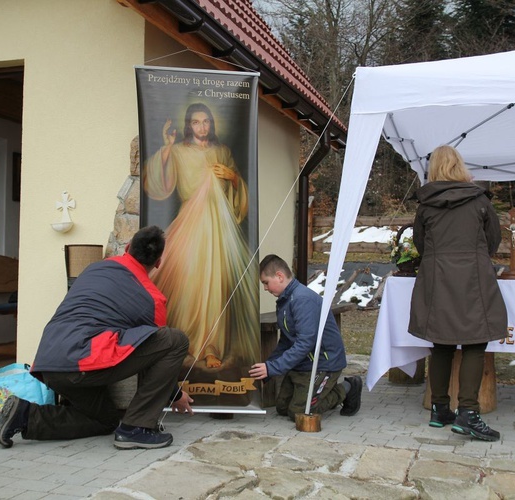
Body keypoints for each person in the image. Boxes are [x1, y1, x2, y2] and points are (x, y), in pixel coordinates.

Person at [0, 226, 194, 450]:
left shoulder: (94, 268)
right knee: (175, 340)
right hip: (81, 365)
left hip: (48, 363)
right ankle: (137, 428)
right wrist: (174, 395)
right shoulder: (153, 299)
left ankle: (25, 415)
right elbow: (156, 353)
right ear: (158, 262)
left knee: (105, 420)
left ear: (127, 248)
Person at [143, 102, 259, 370]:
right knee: (187, 282)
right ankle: (182, 343)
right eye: (196, 122)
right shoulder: (180, 152)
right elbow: (158, 183)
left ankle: (211, 347)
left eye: (206, 121)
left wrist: (232, 177)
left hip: (219, 229)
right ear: (188, 125)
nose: (202, 127)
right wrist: (167, 148)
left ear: (211, 124)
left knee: (216, 285)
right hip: (189, 225)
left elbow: (240, 195)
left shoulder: (222, 151)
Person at [409, 145, 507, 442]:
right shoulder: (479, 201)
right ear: (460, 166)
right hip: (473, 278)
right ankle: (467, 413)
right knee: (476, 342)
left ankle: (440, 409)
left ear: (433, 169)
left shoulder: (426, 205)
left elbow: (420, 244)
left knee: (442, 342)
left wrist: (440, 260)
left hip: (437, 277)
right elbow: (494, 241)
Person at [250, 254, 363, 420]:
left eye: (266, 282)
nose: (265, 288)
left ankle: (347, 388)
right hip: (303, 363)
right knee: (282, 408)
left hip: (323, 363)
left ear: (279, 276)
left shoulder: (302, 300)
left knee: (299, 413)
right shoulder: (284, 301)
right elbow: (286, 341)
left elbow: (305, 343)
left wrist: (273, 368)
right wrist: (268, 368)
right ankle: (319, 392)